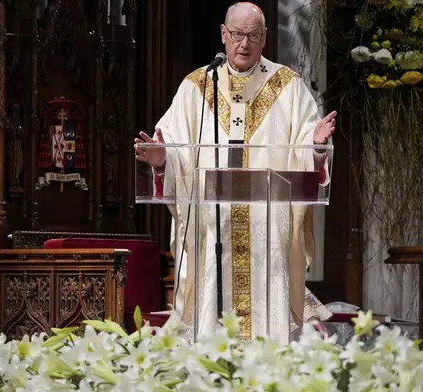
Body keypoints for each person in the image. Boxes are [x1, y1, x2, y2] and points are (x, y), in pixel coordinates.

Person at [134, 2, 336, 343]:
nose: (245, 43)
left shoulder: (288, 85)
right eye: (238, 35)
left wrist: (315, 147)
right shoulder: (197, 86)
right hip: (214, 225)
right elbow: (176, 149)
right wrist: (161, 159)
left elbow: (305, 150)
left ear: (265, 37)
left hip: (267, 228)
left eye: (253, 35)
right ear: (224, 35)